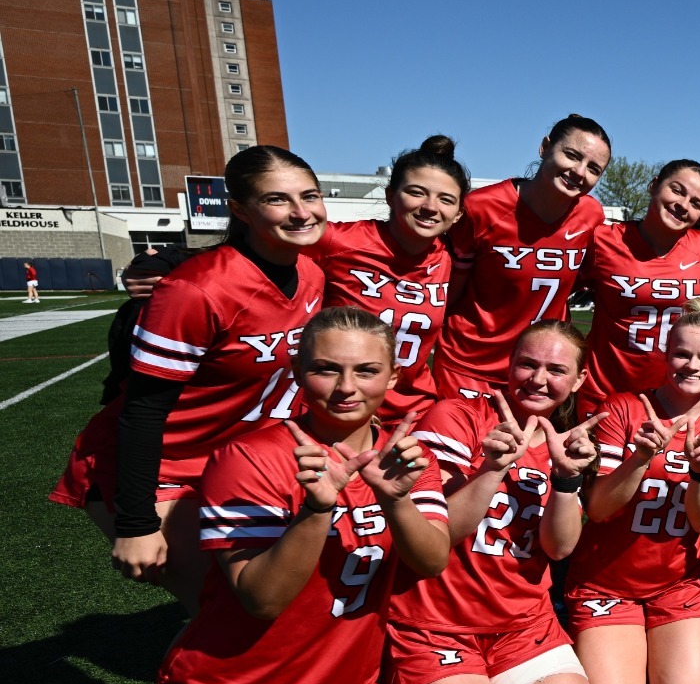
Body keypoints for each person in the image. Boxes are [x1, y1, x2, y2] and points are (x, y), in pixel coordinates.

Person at [91, 308, 449, 684]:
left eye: (366, 370)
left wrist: (396, 503)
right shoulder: (251, 456)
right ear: (296, 369)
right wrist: (315, 511)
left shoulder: (403, 454)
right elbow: (260, 599)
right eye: (325, 369)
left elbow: (431, 561)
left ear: (394, 376)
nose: (345, 388)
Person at [52, 146, 329, 612]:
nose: (302, 212)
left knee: (284, 594)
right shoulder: (197, 289)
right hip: (165, 468)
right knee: (235, 608)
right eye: (278, 199)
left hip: (238, 459)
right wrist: (136, 523)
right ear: (240, 209)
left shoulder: (310, 273)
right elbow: (143, 409)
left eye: (311, 195)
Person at [387, 322, 604, 684]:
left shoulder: (566, 439)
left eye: (556, 369)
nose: (538, 379)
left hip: (523, 625)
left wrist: (567, 481)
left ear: (579, 378)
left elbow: (559, 548)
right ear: (508, 364)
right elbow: (434, 540)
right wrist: (491, 470)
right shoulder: (456, 416)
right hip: (437, 627)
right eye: (528, 363)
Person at [567, 303, 700, 684]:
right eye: (682, 353)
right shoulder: (623, 409)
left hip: (678, 584)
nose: (692, 366)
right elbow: (599, 509)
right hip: (606, 581)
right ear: (665, 352)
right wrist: (640, 458)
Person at [431, 115, 610, 400]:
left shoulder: (591, 215)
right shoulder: (481, 208)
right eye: (571, 155)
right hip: (471, 366)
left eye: (594, 168)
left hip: (540, 373)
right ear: (544, 147)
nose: (579, 171)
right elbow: (448, 292)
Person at [317, 135, 469, 421]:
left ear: (459, 213)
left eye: (445, 199)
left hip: (413, 412)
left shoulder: (454, 259)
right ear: (390, 195)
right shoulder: (339, 241)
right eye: (416, 192)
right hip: (339, 408)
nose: (430, 207)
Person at [574, 161, 700, 408]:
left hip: (670, 399)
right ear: (653, 185)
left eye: (696, 203)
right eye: (677, 190)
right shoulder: (603, 239)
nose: (683, 205)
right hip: (603, 393)